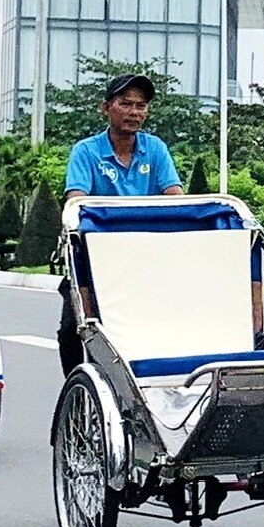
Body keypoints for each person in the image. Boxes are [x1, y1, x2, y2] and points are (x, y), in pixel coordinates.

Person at [56, 73, 187, 374]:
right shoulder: (85, 151)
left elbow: (176, 199)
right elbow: (77, 204)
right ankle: (78, 394)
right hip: (94, 258)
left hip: (144, 257)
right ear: (106, 108)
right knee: (70, 331)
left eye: (141, 106)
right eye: (126, 104)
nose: (134, 112)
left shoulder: (155, 149)